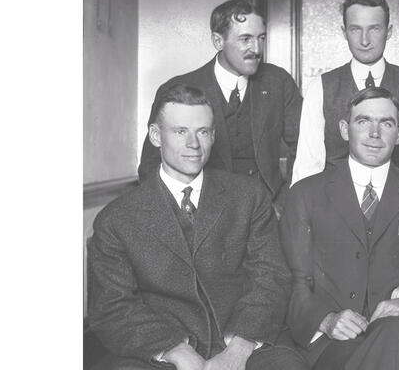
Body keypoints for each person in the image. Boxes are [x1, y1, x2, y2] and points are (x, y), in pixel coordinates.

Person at [88, 85, 305, 370]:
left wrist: (240, 348)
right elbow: (112, 307)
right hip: (160, 352)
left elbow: (271, 278)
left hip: (243, 343)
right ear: (156, 136)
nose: (194, 143)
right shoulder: (116, 219)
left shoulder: (248, 197)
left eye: (203, 131)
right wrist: (173, 350)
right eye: (180, 131)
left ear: (213, 136)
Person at [280, 87, 399, 370]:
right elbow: (294, 281)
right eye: (363, 121)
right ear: (343, 129)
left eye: (386, 123)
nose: (374, 133)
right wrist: (327, 320)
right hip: (335, 343)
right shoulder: (306, 194)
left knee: (395, 333)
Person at [138, 0, 302, 201]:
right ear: (218, 41)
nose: (257, 49)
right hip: (205, 212)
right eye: (245, 39)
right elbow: (150, 166)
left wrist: (284, 205)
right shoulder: (179, 89)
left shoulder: (278, 82)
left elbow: (305, 150)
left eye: (261, 38)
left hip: (266, 210)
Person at [291, 0, 399, 188]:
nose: (364, 40)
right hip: (335, 206)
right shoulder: (320, 87)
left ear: (389, 32)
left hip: (395, 205)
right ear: (344, 32)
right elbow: (307, 165)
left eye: (374, 29)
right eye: (355, 29)